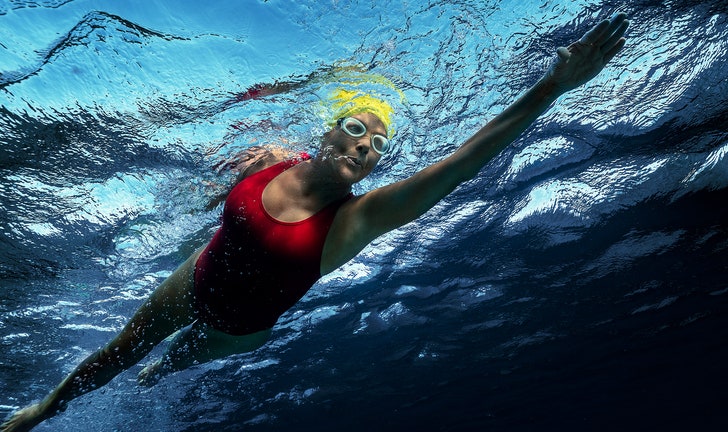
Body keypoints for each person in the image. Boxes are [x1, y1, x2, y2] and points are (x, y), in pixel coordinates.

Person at [2, 13, 629, 432]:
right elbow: (222, 188)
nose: (365, 146)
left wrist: (550, 88)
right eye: (357, 128)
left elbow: (462, 164)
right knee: (117, 350)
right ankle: (43, 411)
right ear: (328, 129)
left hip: (237, 327)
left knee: (158, 369)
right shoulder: (273, 158)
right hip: (193, 279)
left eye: (378, 146)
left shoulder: (358, 218)